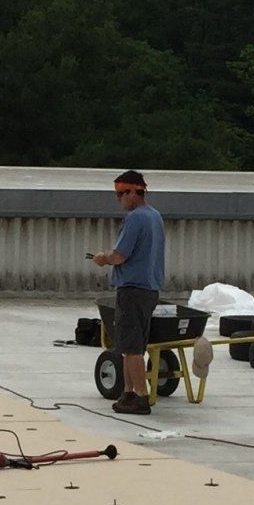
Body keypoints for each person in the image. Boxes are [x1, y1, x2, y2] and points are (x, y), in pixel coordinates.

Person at [88, 169, 166, 417]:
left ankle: (141, 397)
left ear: (134, 191)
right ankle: (129, 392)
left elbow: (120, 255)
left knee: (131, 348)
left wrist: (103, 258)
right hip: (149, 289)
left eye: (121, 193)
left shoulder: (135, 218)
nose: (118, 198)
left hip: (132, 290)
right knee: (132, 345)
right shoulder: (155, 216)